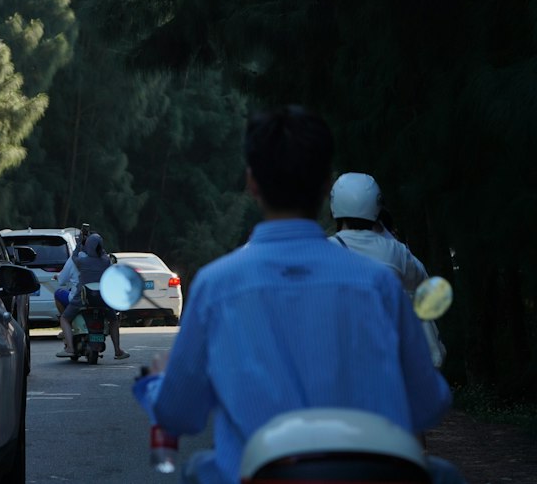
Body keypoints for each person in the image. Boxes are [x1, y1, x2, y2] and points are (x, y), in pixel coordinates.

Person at [134, 106, 465, 484]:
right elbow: (427, 406)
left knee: (198, 471)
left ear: (252, 183)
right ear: (325, 185)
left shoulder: (215, 286)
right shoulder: (380, 285)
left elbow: (180, 415)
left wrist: (157, 382)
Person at [330, 171, 446, 367]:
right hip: (399, 363)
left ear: (335, 206)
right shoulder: (395, 251)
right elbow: (425, 284)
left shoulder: (325, 250)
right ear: (377, 205)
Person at [58, 231, 130, 359]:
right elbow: (103, 255)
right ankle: (118, 350)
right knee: (113, 320)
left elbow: (74, 256)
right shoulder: (106, 261)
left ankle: (69, 348)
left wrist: (80, 242)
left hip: (83, 299)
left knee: (64, 318)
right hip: (103, 300)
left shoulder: (82, 261)